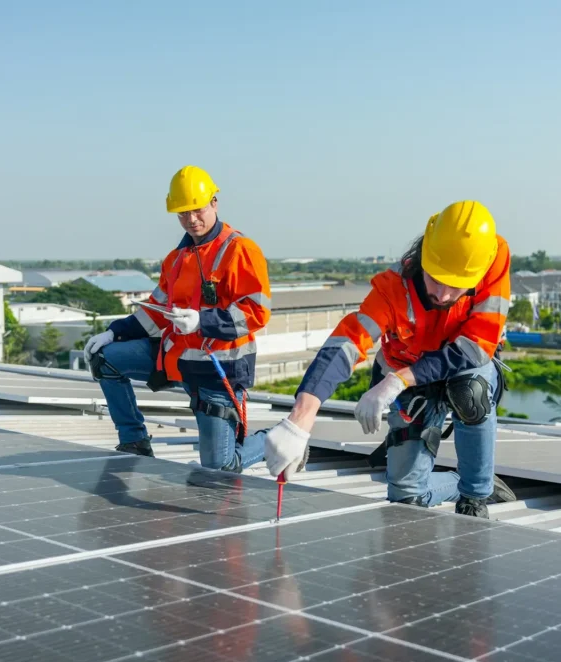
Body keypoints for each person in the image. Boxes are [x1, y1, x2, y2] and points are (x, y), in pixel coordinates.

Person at [263, 200, 516, 518]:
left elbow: (476, 346)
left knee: (472, 389)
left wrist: (399, 380)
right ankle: (470, 483)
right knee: (406, 498)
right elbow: (347, 342)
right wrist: (299, 420)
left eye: (457, 286)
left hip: (458, 367)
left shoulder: (490, 256)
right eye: (436, 279)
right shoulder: (392, 289)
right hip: (407, 377)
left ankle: (476, 494)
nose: (444, 295)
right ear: (425, 255)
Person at [85, 165, 273, 473]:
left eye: (196, 210)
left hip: (218, 371)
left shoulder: (239, 250)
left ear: (214, 202)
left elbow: (257, 312)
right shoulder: (176, 259)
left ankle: (274, 439)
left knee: (220, 467)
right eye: (182, 213)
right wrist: (114, 332)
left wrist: (203, 322)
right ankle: (135, 441)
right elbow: (156, 310)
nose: (191, 220)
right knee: (105, 359)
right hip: (175, 361)